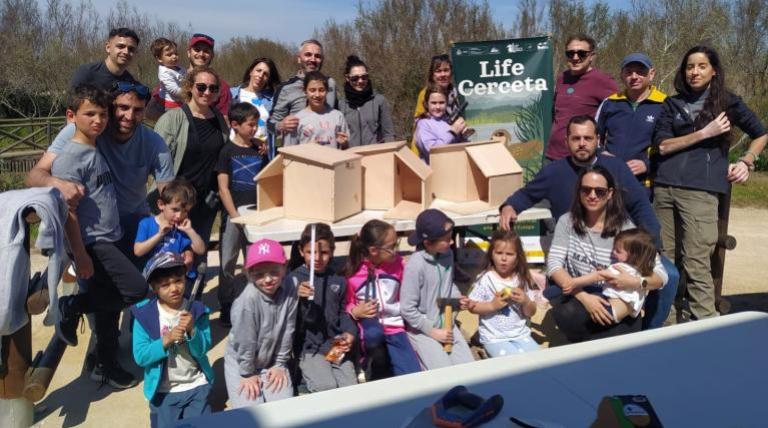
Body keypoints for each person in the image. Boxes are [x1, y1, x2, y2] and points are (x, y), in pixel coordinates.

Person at [653, 46, 767, 321]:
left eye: (701, 66)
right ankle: (665, 321)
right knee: (663, 260)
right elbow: (663, 146)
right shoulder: (672, 103)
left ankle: (704, 325)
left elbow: (761, 133)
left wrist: (746, 161)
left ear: (714, 70)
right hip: (664, 187)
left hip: (701, 192)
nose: (694, 72)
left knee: (696, 262)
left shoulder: (727, 102)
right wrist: (705, 133)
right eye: (690, 66)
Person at [53, 85, 146, 389]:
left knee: (107, 314)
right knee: (137, 290)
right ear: (71, 116)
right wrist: (80, 254)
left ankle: (106, 365)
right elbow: (70, 213)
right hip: (95, 242)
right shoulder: (70, 159)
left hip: (111, 235)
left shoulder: (95, 147)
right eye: (89, 114)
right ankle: (74, 306)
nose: (98, 120)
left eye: (102, 114)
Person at [27, 82, 174, 263]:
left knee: (137, 285)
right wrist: (58, 184)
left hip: (133, 222)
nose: (129, 116)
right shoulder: (81, 133)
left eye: (137, 110)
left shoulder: (154, 144)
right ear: (111, 107)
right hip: (91, 230)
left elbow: (168, 193)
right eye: (123, 107)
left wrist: (178, 232)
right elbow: (35, 175)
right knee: (96, 286)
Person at [546, 166, 668, 343]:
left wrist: (635, 281)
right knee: (566, 314)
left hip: (617, 297)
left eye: (600, 191)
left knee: (605, 329)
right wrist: (583, 296)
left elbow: (661, 276)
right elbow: (554, 265)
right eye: (586, 190)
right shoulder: (567, 221)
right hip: (582, 294)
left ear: (610, 193)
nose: (592, 195)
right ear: (579, 192)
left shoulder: (626, 230)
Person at [154, 66, 229, 263]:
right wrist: (167, 199)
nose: (207, 92)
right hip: (177, 203)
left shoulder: (220, 120)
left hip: (206, 202)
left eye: (213, 88)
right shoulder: (172, 119)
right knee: (171, 258)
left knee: (198, 256)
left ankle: (194, 294)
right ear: (189, 87)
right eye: (201, 87)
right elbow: (156, 161)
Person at [131, 252, 213, 428]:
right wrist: (165, 340)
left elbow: (203, 349)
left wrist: (193, 330)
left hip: (196, 384)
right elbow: (140, 356)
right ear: (154, 287)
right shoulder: (144, 316)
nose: (174, 288)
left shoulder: (198, 311)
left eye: (178, 280)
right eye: (165, 284)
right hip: (164, 391)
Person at [224, 239, 297, 408]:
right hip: (242, 361)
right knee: (250, 411)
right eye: (259, 274)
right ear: (249, 274)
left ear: (285, 267)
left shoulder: (290, 286)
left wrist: (279, 364)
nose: (268, 279)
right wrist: (247, 373)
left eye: (274, 271)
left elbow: (288, 329)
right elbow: (245, 341)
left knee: (283, 407)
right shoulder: (247, 300)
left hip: (272, 358)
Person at [345, 220, 421, 379]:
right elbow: (345, 303)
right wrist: (354, 311)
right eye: (392, 246)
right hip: (369, 331)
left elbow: (406, 295)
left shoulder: (399, 265)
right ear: (373, 250)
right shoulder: (353, 273)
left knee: (412, 375)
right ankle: (368, 364)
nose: (396, 250)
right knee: (374, 336)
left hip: (395, 327)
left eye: (396, 244)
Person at [216, 102, 269, 326]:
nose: (254, 129)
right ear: (235, 125)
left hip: (256, 216)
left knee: (254, 262)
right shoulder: (227, 151)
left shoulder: (259, 149)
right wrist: (234, 216)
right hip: (233, 217)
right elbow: (223, 188)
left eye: (256, 124)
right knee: (227, 262)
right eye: (250, 125)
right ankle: (227, 304)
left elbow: (267, 180)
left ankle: (253, 302)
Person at [400, 209, 473, 370]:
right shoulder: (415, 265)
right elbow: (407, 309)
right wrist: (432, 331)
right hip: (423, 331)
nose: (452, 242)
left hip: (448, 325)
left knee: (470, 370)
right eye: (447, 240)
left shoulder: (448, 255)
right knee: (443, 373)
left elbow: (448, 286)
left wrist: (457, 299)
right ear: (427, 243)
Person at [289, 223, 357, 392]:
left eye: (324, 252)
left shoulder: (337, 279)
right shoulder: (293, 280)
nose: (317, 258)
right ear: (301, 251)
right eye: (311, 252)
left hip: (335, 345)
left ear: (332, 251)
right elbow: (290, 320)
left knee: (350, 387)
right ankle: (304, 382)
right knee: (326, 387)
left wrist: (350, 332)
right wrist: (297, 297)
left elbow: (342, 313)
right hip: (310, 348)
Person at [596, 53, 666, 192]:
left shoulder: (664, 104)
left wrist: (648, 164)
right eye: (629, 72)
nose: (634, 77)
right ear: (622, 75)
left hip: (644, 185)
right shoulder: (610, 103)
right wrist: (601, 154)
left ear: (651, 74)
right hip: (609, 180)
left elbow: (670, 147)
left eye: (640, 72)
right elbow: (593, 138)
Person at [466, 230, 540, 357]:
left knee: (538, 359)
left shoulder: (523, 278)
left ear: (518, 257)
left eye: (510, 254)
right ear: (491, 254)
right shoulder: (485, 279)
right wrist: (492, 306)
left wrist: (526, 301)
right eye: (499, 253)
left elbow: (531, 312)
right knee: (511, 364)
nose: (504, 258)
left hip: (521, 334)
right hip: (494, 338)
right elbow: (471, 306)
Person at [545, 34, 617, 162]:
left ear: (591, 56)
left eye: (581, 53)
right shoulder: (562, 78)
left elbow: (619, 117)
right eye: (570, 53)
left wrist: (609, 150)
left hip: (582, 158)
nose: (575, 57)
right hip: (553, 155)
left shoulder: (603, 81)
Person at [270, 39, 338, 140]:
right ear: (299, 58)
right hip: (296, 151)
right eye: (308, 55)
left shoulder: (331, 84)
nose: (313, 59)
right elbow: (270, 124)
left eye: (317, 56)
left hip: (325, 150)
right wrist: (280, 126)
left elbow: (336, 115)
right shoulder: (285, 88)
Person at [133, 179, 205, 272]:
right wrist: (160, 234)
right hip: (154, 278)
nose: (179, 216)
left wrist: (190, 230)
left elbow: (201, 250)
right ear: (161, 204)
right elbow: (138, 251)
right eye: (175, 210)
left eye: (185, 211)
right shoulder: (146, 223)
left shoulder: (181, 228)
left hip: (175, 277)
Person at [598, 229, 658, 323]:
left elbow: (659, 281)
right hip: (626, 307)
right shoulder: (640, 269)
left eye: (618, 251)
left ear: (633, 255)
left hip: (612, 309)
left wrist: (637, 282)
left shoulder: (621, 267)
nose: (613, 252)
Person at [281, 71, 349, 148]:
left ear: (327, 91)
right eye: (312, 90)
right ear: (305, 91)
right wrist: (306, 148)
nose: (317, 95)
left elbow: (346, 149)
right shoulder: (296, 120)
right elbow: (289, 152)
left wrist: (345, 143)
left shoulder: (338, 116)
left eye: (321, 90)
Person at [339, 55, 395, 147]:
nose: (360, 81)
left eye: (364, 77)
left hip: (375, 155)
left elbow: (389, 134)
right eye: (355, 78)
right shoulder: (341, 104)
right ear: (347, 78)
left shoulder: (379, 100)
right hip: (350, 156)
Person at [230, 57, 281, 158]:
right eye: (258, 71)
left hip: (262, 155)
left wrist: (269, 145)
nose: (261, 75)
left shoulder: (272, 100)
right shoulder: (232, 94)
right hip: (236, 152)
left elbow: (277, 128)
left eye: (265, 74)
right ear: (251, 71)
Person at [70, 27, 139, 91]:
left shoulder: (131, 83)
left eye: (131, 49)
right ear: (108, 47)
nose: (126, 52)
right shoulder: (87, 73)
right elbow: (72, 102)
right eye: (120, 46)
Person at [414, 83, 468, 163]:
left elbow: (457, 146)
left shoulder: (448, 120)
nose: (438, 107)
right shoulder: (423, 124)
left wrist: (463, 135)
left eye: (441, 102)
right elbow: (432, 151)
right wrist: (452, 132)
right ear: (426, 104)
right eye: (434, 103)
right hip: (435, 172)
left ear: (446, 103)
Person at [412, 54, 459, 120]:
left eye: (446, 70)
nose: (443, 74)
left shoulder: (457, 92)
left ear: (451, 72)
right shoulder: (425, 94)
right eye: (438, 71)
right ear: (432, 74)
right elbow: (418, 122)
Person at [151, 37, 186, 109]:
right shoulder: (165, 72)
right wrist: (189, 93)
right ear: (159, 59)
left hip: (180, 101)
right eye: (169, 55)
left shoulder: (178, 68)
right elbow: (174, 90)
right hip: (170, 105)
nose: (174, 57)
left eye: (176, 53)